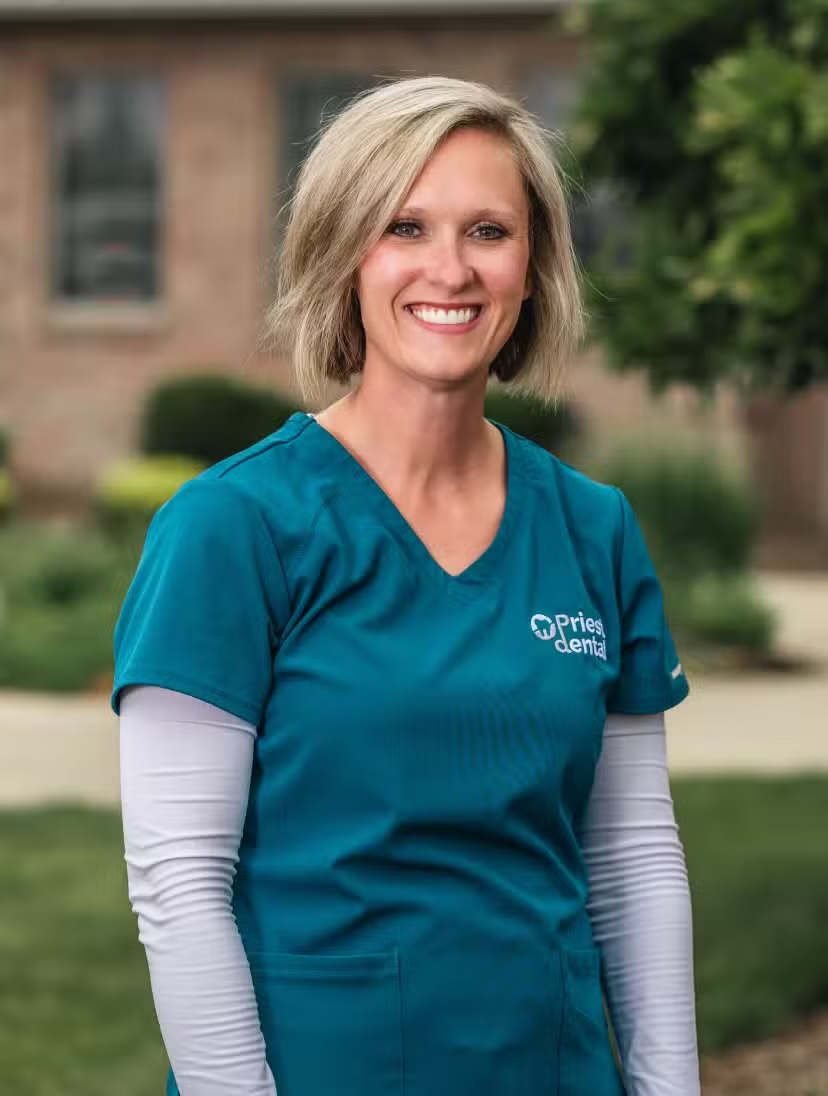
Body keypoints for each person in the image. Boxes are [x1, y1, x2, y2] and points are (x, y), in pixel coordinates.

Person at [112, 76, 700, 1096]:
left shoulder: (592, 528)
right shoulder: (233, 527)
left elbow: (634, 859)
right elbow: (178, 882)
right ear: (345, 254)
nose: (450, 269)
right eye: (405, 226)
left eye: (488, 230)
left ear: (534, 267)